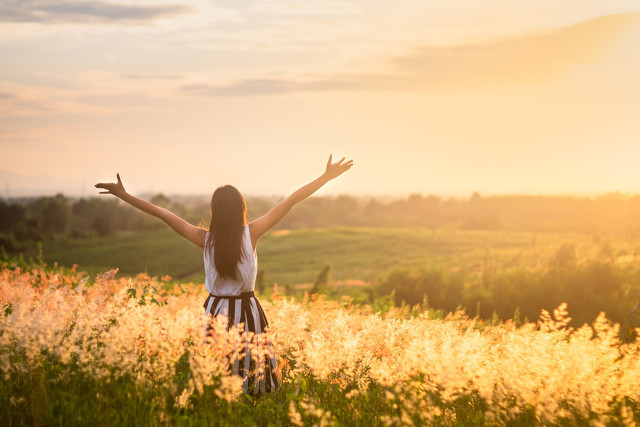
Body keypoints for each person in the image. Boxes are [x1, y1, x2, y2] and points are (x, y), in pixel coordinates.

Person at [95, 155, 354, 395]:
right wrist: (325, 178)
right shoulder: (251, 233)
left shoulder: (204, 238)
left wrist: (124, 195)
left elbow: (162, 213)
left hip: (215, 311)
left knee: (214, 375)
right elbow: (290, 201)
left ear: (215, 211)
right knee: (254, 377)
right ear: (241, 208)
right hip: (248, 310)